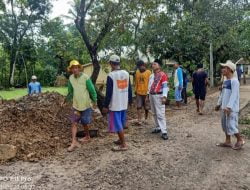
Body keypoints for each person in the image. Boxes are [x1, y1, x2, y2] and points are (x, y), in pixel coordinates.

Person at [62, 60, 97, 152]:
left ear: (79, 68)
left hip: (85, 105)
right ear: (71, 70)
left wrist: (95, 101)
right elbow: (70, 92)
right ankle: (74, 142)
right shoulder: (71, 78)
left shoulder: (85, 77)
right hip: (76, 105)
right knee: (74, 122)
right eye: (73, 68)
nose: (75, 70)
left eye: (76, 67)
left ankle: (87, 136)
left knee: (85, 122)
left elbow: (92, 90)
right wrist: (65, 100)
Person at [102, 55, 132, 151]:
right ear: (119, 63)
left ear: (111, 63)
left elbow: (108, 93)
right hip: (123, 102)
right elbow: (129, 88)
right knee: (121, 122)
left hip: (115, 104)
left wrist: (105, 105)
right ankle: (120, 140)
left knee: (118, 124)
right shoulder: (126, 73)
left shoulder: (111, 75)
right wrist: (130, 100)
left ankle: (123, 144)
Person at [215, 61, 245, 150]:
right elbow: (222, 94)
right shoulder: (226, 81)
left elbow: (234, 95)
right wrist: (218, 104)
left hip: (231, 108)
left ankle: (240, 140)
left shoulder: (235, 81)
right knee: (225, 125)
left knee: (231, 125)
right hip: (224, 107)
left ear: (229, 70)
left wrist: (229, 107)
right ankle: (228, 141)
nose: (222, 69)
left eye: (224, 68)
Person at [148, 59, 169, 140]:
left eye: (155, 64)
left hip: (159, 95)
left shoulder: (163, 75)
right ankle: (158, 127)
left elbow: (165, 86)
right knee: (154, 113)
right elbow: (149, 86)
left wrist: (164, 96)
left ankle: (164, 131)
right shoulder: (151, 75)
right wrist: (147, 96)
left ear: (159, 66)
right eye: (152, 64)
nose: (153, 65)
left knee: (160, 113)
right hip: (151, 95)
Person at [134, 60, 151, 125]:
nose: (139, 68)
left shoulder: (148, 72)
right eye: (138, 67)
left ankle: (146, 119)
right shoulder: (137, 72)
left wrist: (149, 93)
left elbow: (150, 83)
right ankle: (139, 120)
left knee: (146, 107)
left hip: (146, 93)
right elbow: (136, 82)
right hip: (139, 92)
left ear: (143, 65)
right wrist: (135, 90)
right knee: (138, 106)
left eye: (140, 67)